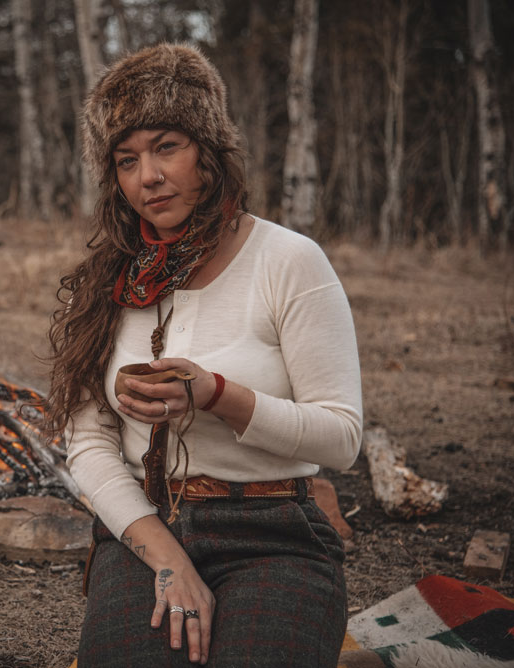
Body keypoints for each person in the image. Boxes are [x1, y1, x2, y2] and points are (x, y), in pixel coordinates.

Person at [46, 43, 362, 667]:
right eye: (126, 159)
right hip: (146, 531)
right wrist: (167, 559)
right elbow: (87, 443)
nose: (148, 177)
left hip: (274, 534)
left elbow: (341, 439)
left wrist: (218, 394)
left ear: (209, 152)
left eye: (167, 146)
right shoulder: (109, 281)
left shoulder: (287, 261)